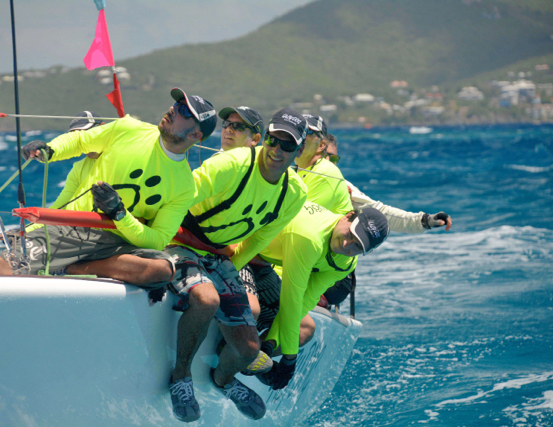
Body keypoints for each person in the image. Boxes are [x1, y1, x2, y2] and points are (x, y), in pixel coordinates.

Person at [0, 88, 217, 291]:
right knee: (4, 266)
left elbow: (157, 240)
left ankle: (71, 269)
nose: (173, 109)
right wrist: (50, 150)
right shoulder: (129, 128)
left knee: (160, 270)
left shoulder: (186, 187)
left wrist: (119, 213)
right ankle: (75, 265)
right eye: (176, 105)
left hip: (118, 244)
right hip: (74, 231)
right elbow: (80, 141)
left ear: (196, 135)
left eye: (184, 111)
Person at [165, 108, 308, 422]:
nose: (277, 150)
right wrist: (153, 239)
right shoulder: (230, 164)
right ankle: (180, 378)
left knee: (246, 350)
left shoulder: (295, 193)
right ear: (264, 138)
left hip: (220, 254)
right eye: (273, 139)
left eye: (287, 146)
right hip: (180, 240)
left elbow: (257, 240)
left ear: (298, 151)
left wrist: (225, 269)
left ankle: (224, 380)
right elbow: (176, 197)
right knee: (206, 299)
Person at [248, 202, 389, 390]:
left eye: (357, 246)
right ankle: (238, 358)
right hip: (238, 252)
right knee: (251, 310)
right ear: (347, 216)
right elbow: (292, 300)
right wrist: (290, 359)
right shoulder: (310, 236)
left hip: (262, 267)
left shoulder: (345, 262)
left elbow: (303, 303)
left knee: (304, 327)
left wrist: (269, 345)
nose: (347, 245)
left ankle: (241, 359)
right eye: (350, 235)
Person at [321, 134, 452, 305]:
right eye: (325, 156)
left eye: (334, 158)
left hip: (331, 265)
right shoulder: (288, 175)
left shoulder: (341, 185)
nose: (330, 162)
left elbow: (380, 213)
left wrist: (425, 220)